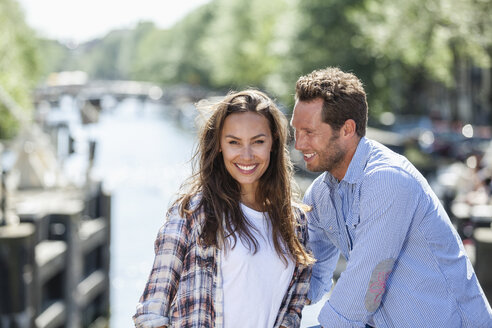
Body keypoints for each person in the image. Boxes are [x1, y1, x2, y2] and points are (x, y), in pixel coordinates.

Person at [290, 67, 492, 327]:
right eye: (297, 131)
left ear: (347, 129)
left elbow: (361, 292)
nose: (298, 144)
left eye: (309, 132)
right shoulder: (320, 194)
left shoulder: (388, 180)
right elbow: (309, 279)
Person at [133, 89, 314, 328]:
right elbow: (151, 314)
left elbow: (292, 311)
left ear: (273, 143)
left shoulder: (295, 222)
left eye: (258, 141)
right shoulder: (192, 214)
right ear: (219, 145)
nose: (246, 155)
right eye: (234, 142)